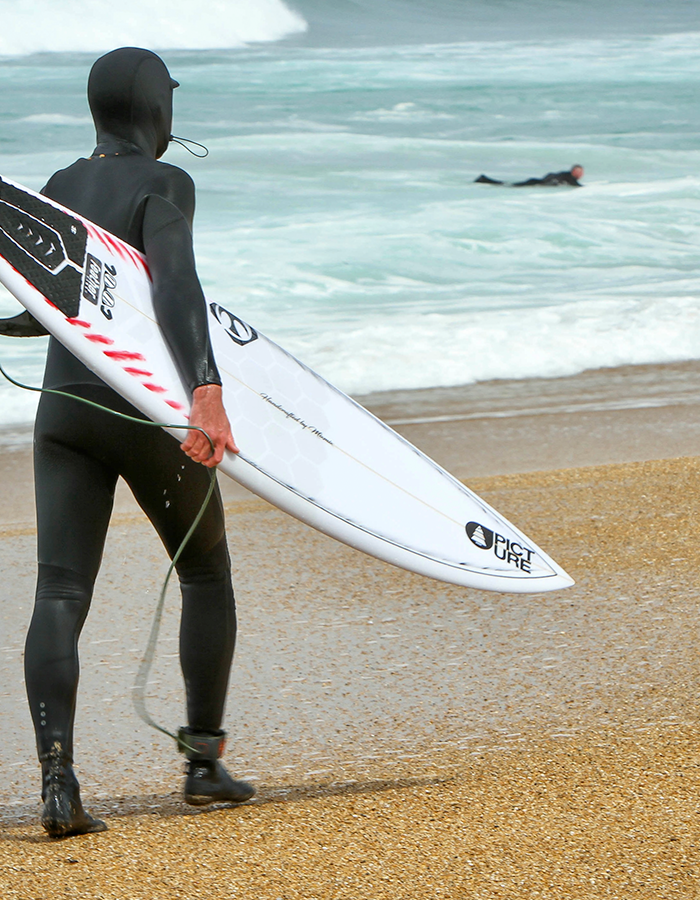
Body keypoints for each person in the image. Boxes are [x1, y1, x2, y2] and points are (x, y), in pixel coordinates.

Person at [0, 47, 255, 837]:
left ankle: (59, 784)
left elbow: (38, 309)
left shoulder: (57, 189)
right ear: (154, 106)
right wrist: (205, 391)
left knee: (60, 592)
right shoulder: (164, 182)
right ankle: (203, 765)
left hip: (65, 409)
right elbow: (176, 282)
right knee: (205, 572)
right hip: (142, 411)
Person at [474, 165, 584, 187]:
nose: (581, 174)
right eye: (579, 172)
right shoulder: (568, 177)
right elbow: (576, 185)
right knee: (508, 185)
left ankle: (485, 180)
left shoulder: (563, 174)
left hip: (535, 181)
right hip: (536, 183)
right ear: (573, 171)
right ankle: (484, 180)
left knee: (508, 185)